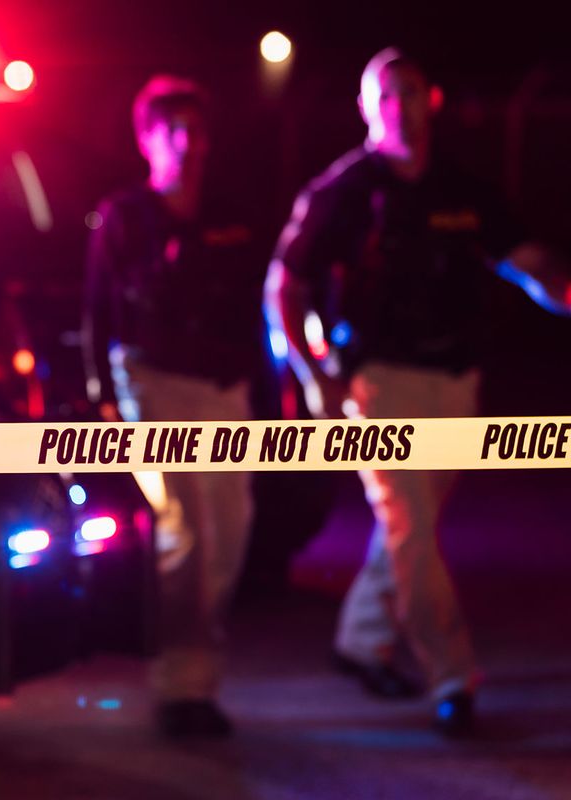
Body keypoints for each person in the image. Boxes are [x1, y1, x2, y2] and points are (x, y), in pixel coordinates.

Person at [265, 47, 570, 737]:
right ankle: (452, 677)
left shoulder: (462, 188)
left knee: (415, 525)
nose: (398, 105)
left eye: (409, 91)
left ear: (430, 99)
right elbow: (286, 284)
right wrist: (315, 374)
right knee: (408, 523)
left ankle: (358, 641)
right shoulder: (344, 190)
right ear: (366, 108)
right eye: (385, 94)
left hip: (455, 380)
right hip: (381, 380)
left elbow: (530, 264)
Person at [82, 75, 265, 737]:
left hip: (223, 390)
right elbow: (99, 314)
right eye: (171, 130)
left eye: (195, 130)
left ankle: (197, 667)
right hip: (151, 382)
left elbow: (259, 309)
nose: (185, 144)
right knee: (183, 530)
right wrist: (104, 398)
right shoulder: (124, 217)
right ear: (147, 139)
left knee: (230, 534)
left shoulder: (234, 216)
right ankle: (181, 687)